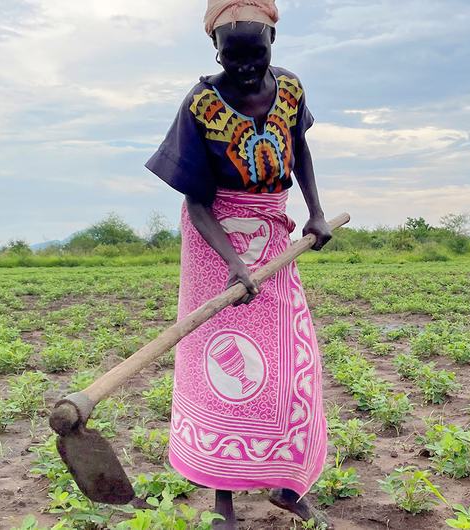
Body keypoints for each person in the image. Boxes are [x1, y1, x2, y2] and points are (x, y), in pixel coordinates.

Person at [144, 1, 331, 528]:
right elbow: (197, 202)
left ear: (272, 41)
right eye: (234, 58)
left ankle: (288, 487)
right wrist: (232, 264)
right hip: (214, 244)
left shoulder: (290, 88)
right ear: (215, 49)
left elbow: (300, 149)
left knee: (292, 367)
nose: (247, 68)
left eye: (257, 55)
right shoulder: (201, 104)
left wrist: (315, 213)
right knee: (222, 371)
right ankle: (223, 502)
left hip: (272, 234)